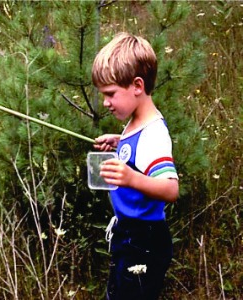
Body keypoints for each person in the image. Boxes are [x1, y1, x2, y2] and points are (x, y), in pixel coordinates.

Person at [91, 32, 179, 299]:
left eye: (110, 94)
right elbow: (140, 155)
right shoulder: (137, 122)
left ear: (137, 85)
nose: (105, 102)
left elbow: (170, 189)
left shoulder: (153, 134)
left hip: (144, 240)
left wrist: (130, 178)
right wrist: (120, 143)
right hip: (130, 233)